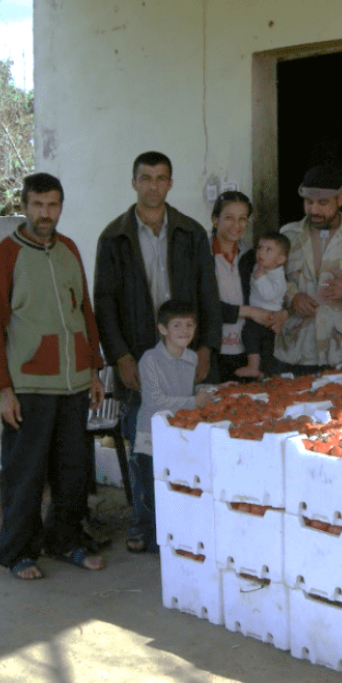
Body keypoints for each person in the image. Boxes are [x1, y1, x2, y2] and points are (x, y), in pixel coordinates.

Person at [0, 172, 106, 579]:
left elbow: (84, 311)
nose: (45, 213)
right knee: (25, 474)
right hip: (29, 385)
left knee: (73, 471)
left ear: (60, 207)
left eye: (52, 206)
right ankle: (18, 552)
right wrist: (2, 389)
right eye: (37, 205)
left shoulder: (68, 249)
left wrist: (94, 370)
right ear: (25, 206)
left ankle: (66, 540)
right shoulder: (5, 254)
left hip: (75, 384)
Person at [93, 152, 222, 552]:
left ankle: (187, 525)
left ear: (170, 183)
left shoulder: (191, 233)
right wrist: (120, 356)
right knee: (141, 447)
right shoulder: (114, 237)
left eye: (161, 178)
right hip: (139, 357)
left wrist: (206, 347)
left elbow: (209, 295)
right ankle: (144, 524)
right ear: (134, 182)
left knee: (189, 441)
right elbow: (105, 302)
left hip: (185, 355)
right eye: (146, 178)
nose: (153, 185)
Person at [275, 164, 342, 375]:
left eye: (322, 203)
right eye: (308, 202)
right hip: (295, 350)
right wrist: (293, 296)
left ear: (340, 199)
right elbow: (269, 279)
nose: (314, 210)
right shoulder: (288, 235)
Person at [129, 300, 213, 553]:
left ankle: (174, 538)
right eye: (176, 325)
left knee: (175, 485)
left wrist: (202, 393)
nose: (184, 331)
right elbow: (154, 401)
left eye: (189, 325)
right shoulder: (150, 359)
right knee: (154, 490)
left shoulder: (191, 357)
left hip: (178, 433)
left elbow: (185, 392)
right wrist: (193, 402)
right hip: (151, 436)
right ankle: (154, 539)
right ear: (163, 329)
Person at [207, 190, 288, 381]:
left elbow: (278, 287)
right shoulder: (202, 255)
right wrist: (248, 311)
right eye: (229, 218)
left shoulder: (253, 256)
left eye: (242, 218)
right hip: (212, 349)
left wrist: (283, 313)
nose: (237, 225)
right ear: (215, 219)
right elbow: (200, 305)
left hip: (249, 350)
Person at [233, 231, 290, 379]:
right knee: (252, 338)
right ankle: (256, 369)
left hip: (269, 318)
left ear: (281, 259)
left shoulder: (278, 275)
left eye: (268, 250)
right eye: (259, 248)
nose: (261, 253)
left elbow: (269, 294)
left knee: (262, 343)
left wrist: (260, 278)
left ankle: (260, 370)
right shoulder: (261, 268)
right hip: (257, 314)